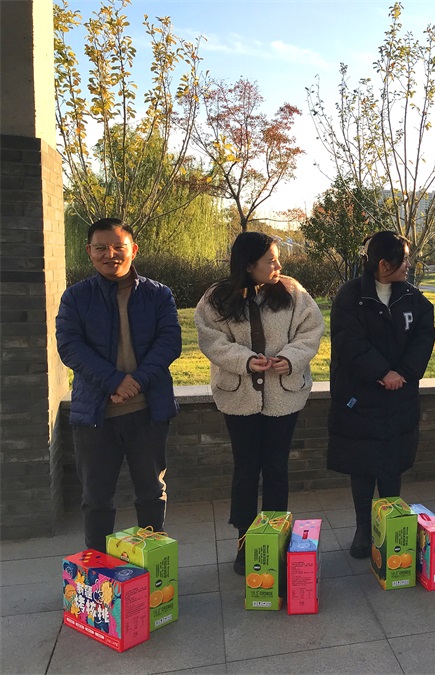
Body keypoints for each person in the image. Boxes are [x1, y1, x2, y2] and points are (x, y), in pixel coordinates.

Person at [195, 232, 324, 574]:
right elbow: (211, 340)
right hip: (239, 397)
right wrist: (246, 360)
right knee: (246, 468)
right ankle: (245, 541)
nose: (278, 265)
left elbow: (311, 331)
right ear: (249, 264)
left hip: (284, 396)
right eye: (271, 260)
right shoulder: (217, 298)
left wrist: (290, 358)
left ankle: (275, 539)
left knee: (277, 468)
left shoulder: (292, 291)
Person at [56, 218, 181, 552]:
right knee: (96, 499)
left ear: (133, 250)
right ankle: (97, 571)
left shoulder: (158, 294)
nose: (109, 254)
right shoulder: (76, 297)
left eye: (118, 247)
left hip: (147, 411)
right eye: (101, 248)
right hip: (96, 415)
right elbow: (70, 346)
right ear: (89, 251)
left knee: (151, 493)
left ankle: (154, 568)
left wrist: (135, 381)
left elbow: (169, 343)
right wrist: (114, 381)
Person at [327, 231, 435, 558]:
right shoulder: (350, 296)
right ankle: (363, 527)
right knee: (362, 464)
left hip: (399, 396)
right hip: (360, 397)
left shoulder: (413, 299)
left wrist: (402, 373)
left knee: (392, 463)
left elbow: (424, 338)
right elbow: (349, 343)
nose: (408, 265)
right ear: (384, 263)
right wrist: (381, 372)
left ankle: (389, 525)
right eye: (404, 259)